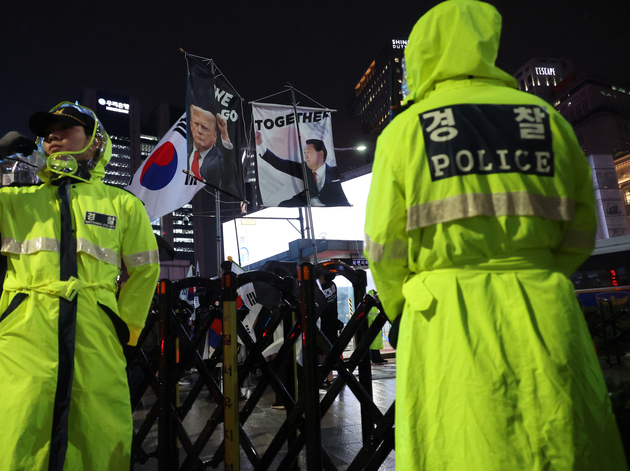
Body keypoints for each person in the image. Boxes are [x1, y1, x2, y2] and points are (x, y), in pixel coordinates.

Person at [364, 2, 627, 470]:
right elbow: (581, 228)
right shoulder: (545, 118)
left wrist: (403, 308)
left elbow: (384, 246)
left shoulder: (403, 133)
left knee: (462, 442)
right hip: (543, 310)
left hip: (443, 317)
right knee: (559, 441)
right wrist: (534, 272)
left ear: (422, 57)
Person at [0, 102, 160, 470]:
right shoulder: (15, 200)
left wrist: (124, 330)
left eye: (66, 128)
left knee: (95, 433)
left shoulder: (123, 205)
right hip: (20, 340)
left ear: (95, 141)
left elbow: (145, 271)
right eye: (48, 131)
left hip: (96, 340)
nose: (53, 135)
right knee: (15, 429)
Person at [254, 132, 349, 207]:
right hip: (306, 204)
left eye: (308, 152)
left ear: (320, 154)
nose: (306, 156)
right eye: (304, 153)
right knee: (283, 204)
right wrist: (260, 144)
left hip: (333, 211)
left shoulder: (335, 173)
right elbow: (280, 164)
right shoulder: (303, 169)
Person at [188, 104, 240, 195]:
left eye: (205, 128)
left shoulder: (217, 157)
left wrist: (224, 133)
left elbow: (228, 175)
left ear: (214, 136)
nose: (199, 131)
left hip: (207, 200)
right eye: (196, 124)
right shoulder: (185, 151)